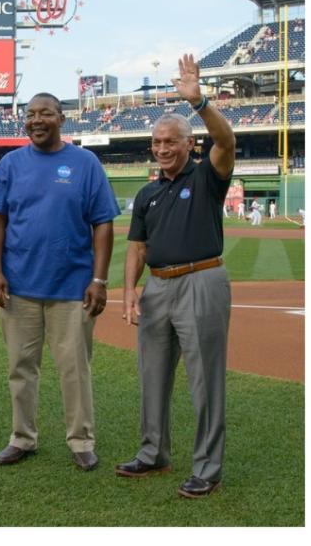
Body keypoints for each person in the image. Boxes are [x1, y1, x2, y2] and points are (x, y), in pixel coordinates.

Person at [117, 54, 236, 499]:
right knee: (152, 375)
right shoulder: (148, 192)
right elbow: (137, 246)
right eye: (157, 142)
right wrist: (129, 291)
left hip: (201, 281)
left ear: (189, 144)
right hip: (157, 287)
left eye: (171, 141)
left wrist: (199, 101)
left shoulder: (207, 177)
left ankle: (207, 468)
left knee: (205, 380)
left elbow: (227, 139)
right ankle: (153, 453)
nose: (163, 148)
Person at [0, 93, 119, 470]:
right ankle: (22, 437)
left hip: (71, 287)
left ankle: (81, 440)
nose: (36, 120)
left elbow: (103, 223)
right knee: (20, 367)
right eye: (30, 114)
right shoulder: (11, 163)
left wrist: (99, 279)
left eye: (45, 113)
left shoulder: (85, 163)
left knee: (74, 368)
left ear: (61, 119)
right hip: (19, 286)